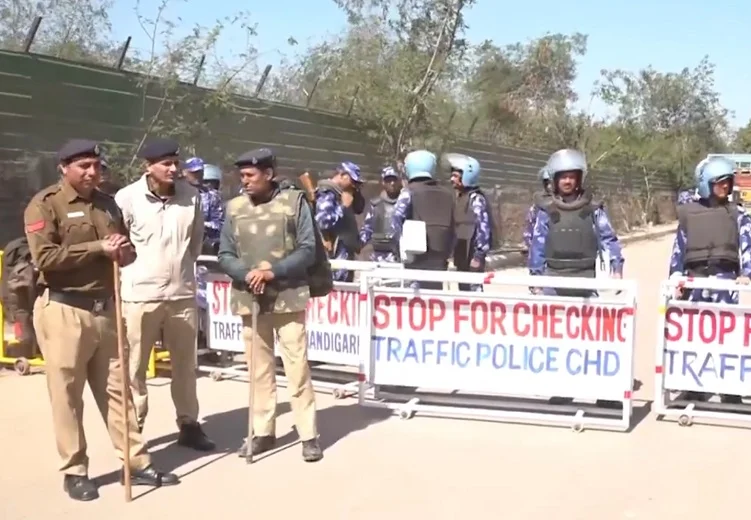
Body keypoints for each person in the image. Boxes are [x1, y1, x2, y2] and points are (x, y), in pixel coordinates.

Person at [23, 139, 178, 502]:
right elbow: (44, 258)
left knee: (118, 390)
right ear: (64, 168)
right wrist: (97, 248)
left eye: (96, 165)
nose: (92, 173)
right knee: (67, 395)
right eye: (83, 167)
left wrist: (124, 252)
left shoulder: (108, 204)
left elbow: (125, 250)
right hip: (64, 310)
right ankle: (75, 470)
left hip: (106, 309)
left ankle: (135, 463)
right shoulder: (45, 205)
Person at [217, 147, 322, 463]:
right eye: (242, 176)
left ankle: (308, 435)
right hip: (251, 298)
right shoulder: (234, 208)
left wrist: (271, 272)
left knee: (296, 367)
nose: (244, 181)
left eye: (250, 175)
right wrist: (247, 274)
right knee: (258, 369)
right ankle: (262, 431)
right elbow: (225, 254)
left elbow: (308, 249)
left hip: (288, 297)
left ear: (268, 174)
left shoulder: (294, 203)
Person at [114, 138, 214, 451]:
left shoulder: (192, 197)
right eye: (165, 164)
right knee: (134, 368)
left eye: (175, 162)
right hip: (139, 295)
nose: (173, 169)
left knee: (185, 367)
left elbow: (195, 243)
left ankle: (189, 424)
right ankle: (133, 429)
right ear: (149, 166)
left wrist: (182, 271)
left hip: (181, 294)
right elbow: (119, 242)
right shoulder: (127, 198)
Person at [670, 156, 751, 403]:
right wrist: (675, 276)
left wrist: (746, 274)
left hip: (725, 280)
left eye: (728, 182)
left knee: (729, 336)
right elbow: (679, 248)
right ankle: (694, 387)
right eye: (720, 182)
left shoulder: (738, 215)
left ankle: (730, 389)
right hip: (695, 280)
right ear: (707, 183)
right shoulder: (689, 213)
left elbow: (747, 246)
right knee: (693, 335)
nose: (726, 186)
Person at [528, 148, 624, 295]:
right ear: (555, 179)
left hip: (586, 279)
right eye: (563, 177)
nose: (567, 181)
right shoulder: (546, 209)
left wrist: (617, 270)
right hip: (553, 280)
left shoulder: (592, 207)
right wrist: (536, 279)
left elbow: (608, 239)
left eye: (571, 177)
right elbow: (537, 246)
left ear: (579, 179)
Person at [392, 150, 455, 290]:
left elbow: (396, 220)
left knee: (414, 303)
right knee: (434, 300)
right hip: (440, 256)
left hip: (415, 257)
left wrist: (398, 249)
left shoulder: (408, 192)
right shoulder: (448, 194)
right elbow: (454, 228)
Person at [448, 154, 492, 291]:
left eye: (455, 176)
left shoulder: (476, 199)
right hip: (462, 253)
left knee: (474, 293)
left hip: (472, 255)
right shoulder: (459, 198)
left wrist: (478, 256)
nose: (452, 179)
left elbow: (483, 229)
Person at [315, 162, 363, 281]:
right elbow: (323, 221)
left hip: (343, 252)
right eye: (352, 181)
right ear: (342, 175)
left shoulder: (341, 193)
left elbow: (359, 208)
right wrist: (343, 207)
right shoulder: (328, 192)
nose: (353, 185)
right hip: (334, 254)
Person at [359, 166, 402, 262]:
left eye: (394, 180)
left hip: (400, 254)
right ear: (383, 182)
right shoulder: (375, 205)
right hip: (379, 253)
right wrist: (359, 244)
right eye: (388, 180)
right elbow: (367, 227)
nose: (392, 183)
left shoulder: (405, 203)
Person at [183, 157, 225, 251]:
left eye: (200, 172)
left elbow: (220, 224)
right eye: (194, 173)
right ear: (185, 173)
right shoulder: (177, 193)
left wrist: (202, 224)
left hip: (203, 245)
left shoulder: (212, 196)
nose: (198, 176)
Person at [523, 167, 552, 249]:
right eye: (547, 183)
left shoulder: (567, 202)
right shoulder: (538, 202)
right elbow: (530, 225)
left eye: (552, 182)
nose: (550, 186)